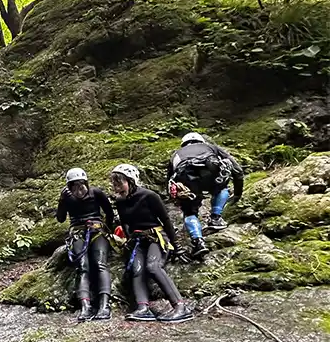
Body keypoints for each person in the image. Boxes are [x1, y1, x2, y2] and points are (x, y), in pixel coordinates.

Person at [110, 164, 193, 323]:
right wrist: (128, 239)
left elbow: (166, 220)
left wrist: (176, 246)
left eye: (120, 183)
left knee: (153, 266)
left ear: (131, 181)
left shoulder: (149, 196)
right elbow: (125, 223)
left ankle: (181, 307)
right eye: (114, 184)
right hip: (137, 239)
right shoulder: (120, 201)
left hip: (157, 236)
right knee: (136, 268)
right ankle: (143, 308)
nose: (117, 188)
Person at [167, 132, 244, 259]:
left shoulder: (175, 154)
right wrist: (237, 194)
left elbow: (169, 182)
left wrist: (177, 199)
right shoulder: (210, 147)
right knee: (221, 188)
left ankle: (198, 242)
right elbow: (238, 170)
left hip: (185, 177)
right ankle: (216, 217)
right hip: (210, 170)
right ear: (200, 141)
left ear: (183, 144)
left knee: (190, 212)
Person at [56, 168, 115, 322]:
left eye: (81, 185)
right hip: (78, 233)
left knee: (100, 264)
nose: (78, 190)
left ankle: (104, 305)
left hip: (97, 231)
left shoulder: (97, 193)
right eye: (74, 186)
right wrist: (62, 201)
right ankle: (85, 306)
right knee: (83, 267)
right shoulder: (67, 197)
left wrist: (108, 231)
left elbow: (110, 213)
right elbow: (61, 219)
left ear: (86, 183)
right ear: (69, 187)